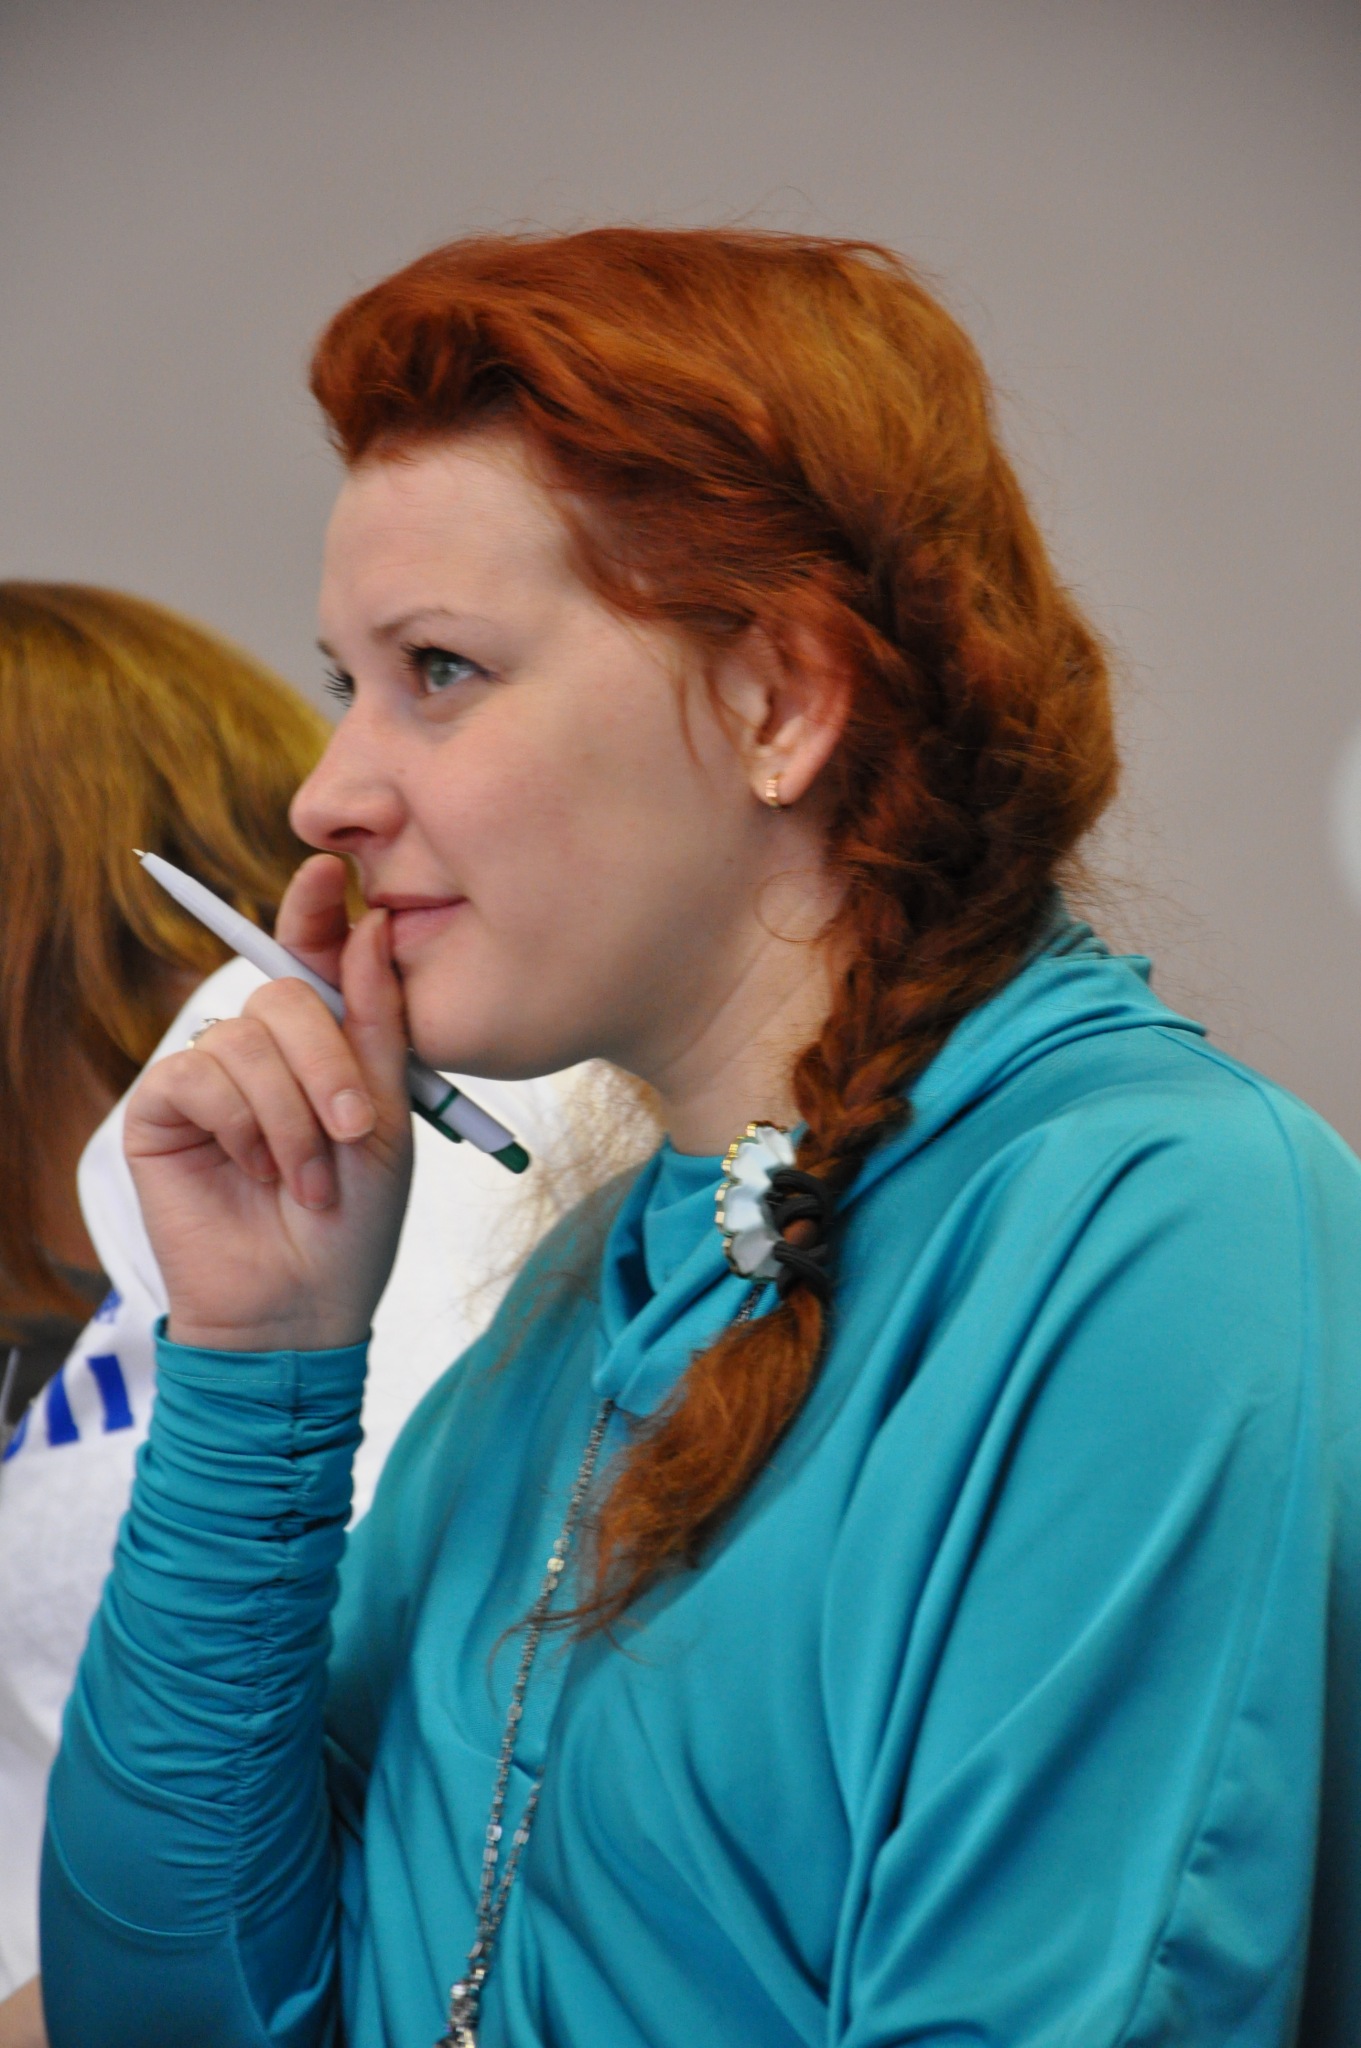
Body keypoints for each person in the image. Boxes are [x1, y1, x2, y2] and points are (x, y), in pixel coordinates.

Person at [39, 230, 1361, 2048]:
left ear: (780, 702)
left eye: (440, 670)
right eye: (348, 685)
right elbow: (161, 2013)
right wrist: (261, 1357)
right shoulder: (577, 1303)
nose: (327, 795)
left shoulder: (1161, 1229)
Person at [0, 585, 582, 2029]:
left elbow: (436, 1796)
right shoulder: (104, 1262)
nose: (336, 793)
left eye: (437, 669)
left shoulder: (324, 1132)